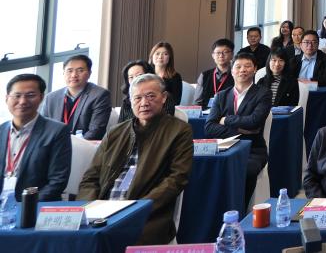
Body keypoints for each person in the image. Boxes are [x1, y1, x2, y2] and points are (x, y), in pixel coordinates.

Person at [79, 73, 192, 244]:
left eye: (150, 96)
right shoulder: (115, 132)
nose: (144, 103)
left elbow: (176, 179)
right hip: (102, 210)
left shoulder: (179, 130)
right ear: (130, 102)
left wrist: (139, 208)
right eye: (137, 98)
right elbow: (91, 177)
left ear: (164, 98)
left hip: (146, 214)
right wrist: (90, 208)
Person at [205, 52, 271, 207]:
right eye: (238, 66)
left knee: (243, 171)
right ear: (232, 70)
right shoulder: (221, 96)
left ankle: (239, 210)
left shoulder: (263, 93)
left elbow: (254, 122)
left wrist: (226, 120)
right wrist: (240, 131)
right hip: (223, 149)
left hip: (252, 150)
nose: (243, 70)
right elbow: (209, 127)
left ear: (255, 69)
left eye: (247, 66)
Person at [0, 73, 71, 201]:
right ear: (6, 98)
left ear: (41, 97)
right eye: (17, 95)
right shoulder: (1, 130)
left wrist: (26, 205)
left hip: (34, 205)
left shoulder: (57, 131)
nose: (23, 101)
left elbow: (57, 181)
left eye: (30, 95)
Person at [41, 54, 112, 140]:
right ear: (63, 73)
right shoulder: (51, 98)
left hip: (85, 145)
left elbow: (96, 132)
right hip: (55, 144)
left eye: (80, 70)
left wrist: (74, 146)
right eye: (70, 71)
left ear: (89, 73)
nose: (74, 75)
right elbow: (42, 128)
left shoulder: (99, 95)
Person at [196, 38, 234, 108]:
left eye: (225, 52)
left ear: (232, 55)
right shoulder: (204, 75)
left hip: (228, 112)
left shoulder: (237, 75)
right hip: (206, 112)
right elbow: (198, 102)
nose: (221, 55)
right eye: (218, 52)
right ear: (213, 55)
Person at [149, 41, 183, 108]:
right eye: (157, 53)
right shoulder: (145, 74)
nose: (160, 57)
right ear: (152, 56)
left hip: (165, 110)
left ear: (170, 58)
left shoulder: (176, 77)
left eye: (165, 54)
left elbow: (176, 101)